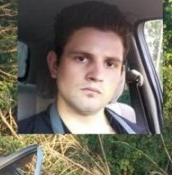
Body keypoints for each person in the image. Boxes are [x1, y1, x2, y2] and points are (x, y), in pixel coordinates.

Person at [18, 1, 147, 134]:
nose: (97, 75)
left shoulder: (138, 131)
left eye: (110, 64)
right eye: (81, 59)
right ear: (55, 65)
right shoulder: (22, 130)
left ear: (121, 74)